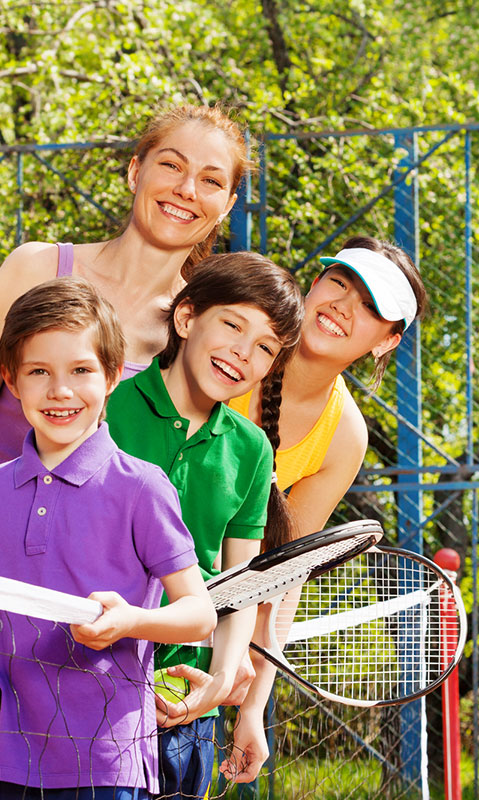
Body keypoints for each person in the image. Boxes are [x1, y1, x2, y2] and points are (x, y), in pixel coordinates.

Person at [0, 104, 253, 798]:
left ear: (226, 203)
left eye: (209, 179)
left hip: (107, 649)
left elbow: (226, 494)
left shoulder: (199, 327)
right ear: (135, 169)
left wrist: (225, 665)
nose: (184, 189)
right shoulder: (34, 268)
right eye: (170, 164)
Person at [0, 278, 217, 799]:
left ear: (113, 376)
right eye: (39, 372)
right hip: (7, 762)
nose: (61, 391)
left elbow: (198, 615)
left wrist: (130, 622)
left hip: (108, 767)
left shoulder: (141, 487)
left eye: (81, 371)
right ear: (11, 380)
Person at [218, 235, 429, 783]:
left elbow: (283, 575)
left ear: (387, 341)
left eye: (369, 307)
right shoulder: (233, 352)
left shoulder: (344, 436)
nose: (341, 307)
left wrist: (253, 705)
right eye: (338, 283)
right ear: (314, 284)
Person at [104, 252, 304, 799]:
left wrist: (218, 681)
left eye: (265, 347)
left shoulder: (252, 448)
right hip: (91, 688)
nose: (243, 352)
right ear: (187, 319)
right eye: (233, 325)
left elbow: (241, 582)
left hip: (181, 708)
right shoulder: (108, 405)